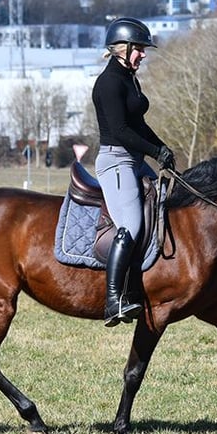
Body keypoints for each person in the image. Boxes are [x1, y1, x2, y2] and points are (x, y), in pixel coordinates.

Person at [92, 16, 176, 327]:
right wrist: (154, 152)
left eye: (143, 50)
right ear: (121, 49)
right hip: (116, 161)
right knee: (130, 225)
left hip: (136, 160)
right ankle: (113, 300)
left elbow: (139, 125)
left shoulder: (129, 78)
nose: (143, 55)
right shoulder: (109, 83)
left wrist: (162, 148)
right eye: (139, 49)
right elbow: (121, 130)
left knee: (165, 209)